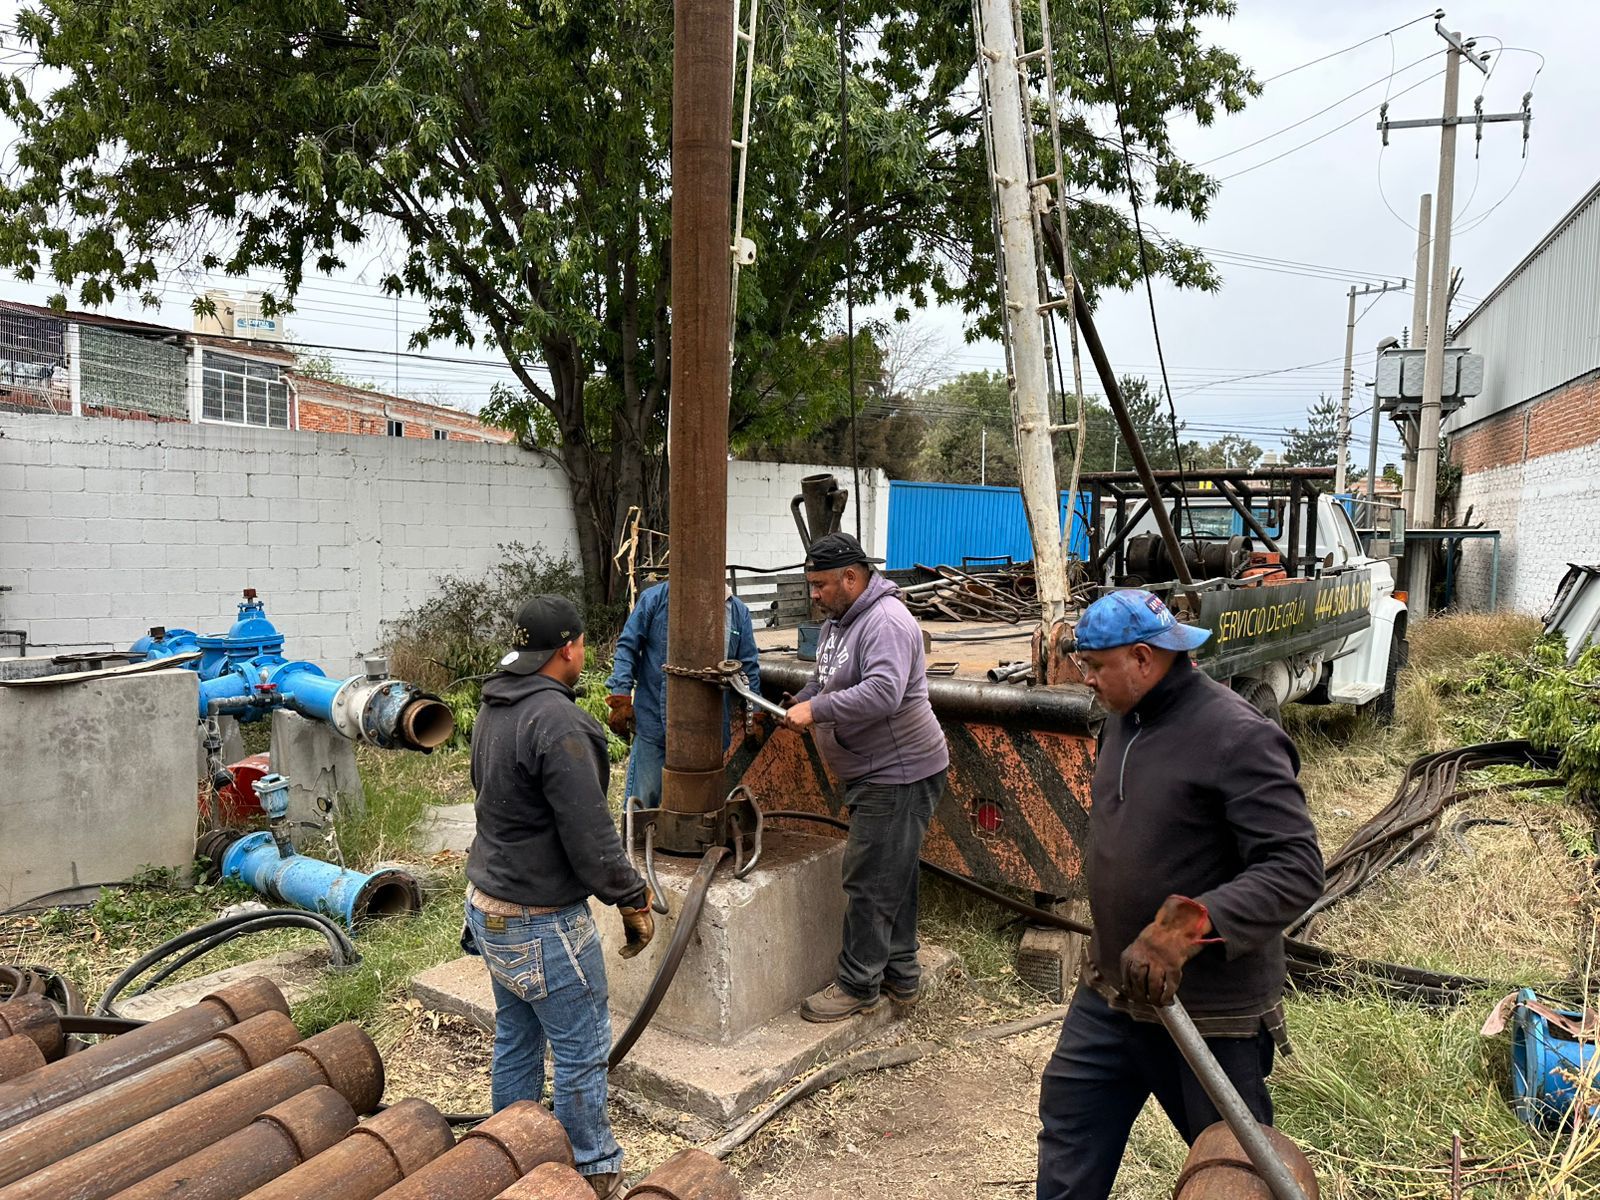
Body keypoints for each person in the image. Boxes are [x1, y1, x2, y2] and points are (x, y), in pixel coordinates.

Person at [1034, 589, 1324, 1200]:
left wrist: (1188, 927)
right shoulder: (1123, 717)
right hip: (1111, 994)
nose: (1085, 680)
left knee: (1231, 1174)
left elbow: (1296, 865)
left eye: (1095, 666)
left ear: (1143, 658)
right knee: (1069, 1128)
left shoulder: (1238, 736)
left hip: (1209, 1015)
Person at [464, 594, 657, 1200]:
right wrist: (632, 898)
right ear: (571, 648)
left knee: (517, 1037)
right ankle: (591, 1173)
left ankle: (511, 1153)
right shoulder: (562, 723)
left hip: (488, 904)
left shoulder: (497, 705)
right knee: (580, 1052)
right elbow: (590, 832)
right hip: (540, 922)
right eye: (583, 647)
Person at [783, 531, 950, 1023]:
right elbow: (828, 676)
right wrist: (801, 698)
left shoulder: (886, 621)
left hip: (897, 773)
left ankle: (859, 985)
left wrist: (818, 709)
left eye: (820, 585)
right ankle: (901, 974)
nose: (813, 594)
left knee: (869, 880)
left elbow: (883, 693)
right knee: (891, 872)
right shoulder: (841, 620)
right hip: (874, 770)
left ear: (851, 578)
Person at [604, 580, 760, 809]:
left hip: (709, 733)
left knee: (699, 805)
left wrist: (754, 714)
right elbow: (627, 646)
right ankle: (636, 844)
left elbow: (748, 667)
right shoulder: (655, 600)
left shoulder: (737, 612)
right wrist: (621, 697)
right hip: (655, 725)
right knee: (645, 801)